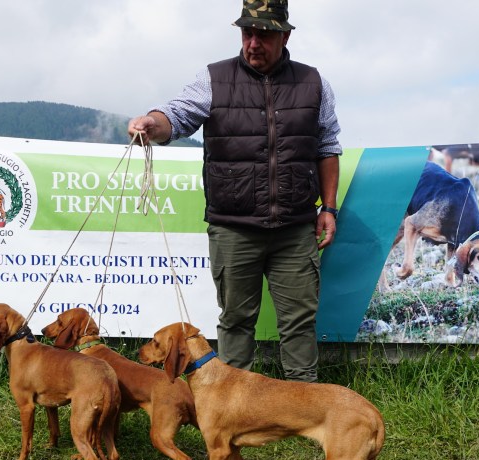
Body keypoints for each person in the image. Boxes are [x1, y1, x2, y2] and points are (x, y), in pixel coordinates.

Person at [128, 0, 341, 382]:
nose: (253, 43)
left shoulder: (314, 83)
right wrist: (152, 124)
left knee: (299, 323)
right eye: (247, 33)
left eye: (264, 34)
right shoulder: (213, 79)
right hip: (233, 229)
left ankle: (304, 403)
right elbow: (176, 115)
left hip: (296, 229)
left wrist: (329, 208)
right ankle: (231, 405)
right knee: (236, 321)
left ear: (285, 36)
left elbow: (327, 146)